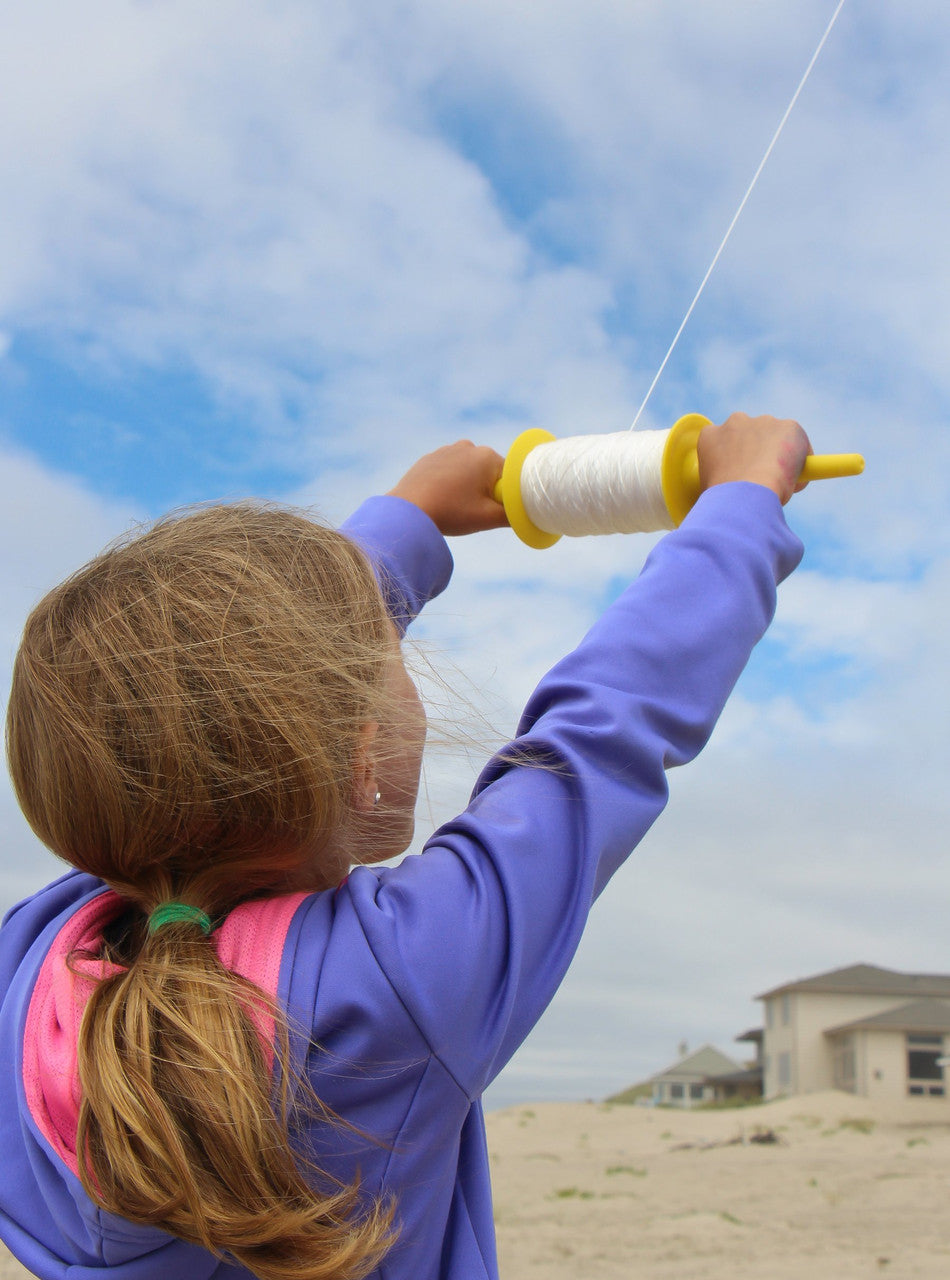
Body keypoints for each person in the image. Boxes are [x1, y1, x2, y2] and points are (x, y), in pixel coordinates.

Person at [0, 413, 809, 1280]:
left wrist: (407, 516)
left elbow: (175, 720)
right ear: (354, 755)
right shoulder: (404, 973)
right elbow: (603, 730)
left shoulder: (29, 958)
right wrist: (739, 508)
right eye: (388, 651)